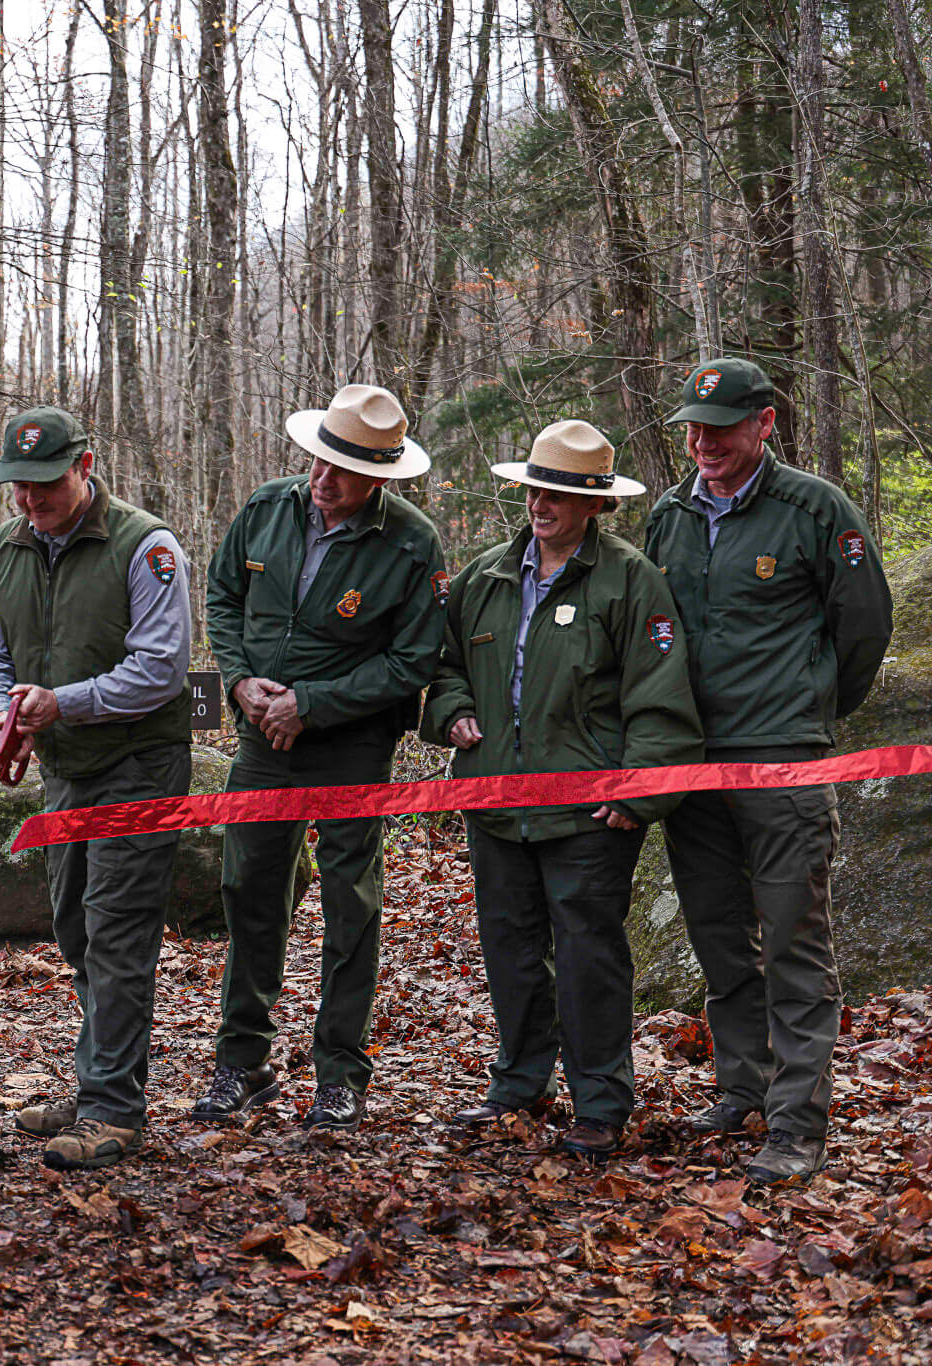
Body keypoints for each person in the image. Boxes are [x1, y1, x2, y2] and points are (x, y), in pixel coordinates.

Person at [422, 420, 704, 1159]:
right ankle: (519, 1084)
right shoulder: (484, 575)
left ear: (596, 505)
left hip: (589, 813)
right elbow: (444, 665)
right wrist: (451, 711)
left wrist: (638, 795)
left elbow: (660, 696)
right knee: (510, 951)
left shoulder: (630, 580)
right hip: (494, 802)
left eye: (561, 493)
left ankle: (601, 1102)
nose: (542, 503)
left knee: (589, 957)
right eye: (536, 488)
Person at [645, 359, 894, 1184]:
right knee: (720, 939)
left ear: (765, 424)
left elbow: (861, 626)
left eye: (719, 429)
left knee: (794, 940)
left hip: (783, 762)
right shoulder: (670, 515)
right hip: (692, 765)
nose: (701, 442)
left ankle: (796, 1121)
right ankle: (741, 1087)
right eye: (691, 428)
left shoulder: (815, 510)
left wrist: (810, 711)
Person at [194, 384, 445, 1133]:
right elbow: (220, 598)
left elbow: (414, 661)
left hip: (351, 747)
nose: (321, 478)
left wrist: (314, 704)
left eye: (342, 468)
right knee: (248, 891)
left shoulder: (411, 543)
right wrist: (238, 683)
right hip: (258, 741)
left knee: (350, 906)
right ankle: (242, 1062)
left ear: (381, 476)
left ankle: (340, 1074)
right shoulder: (268, 508)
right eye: (317, 459)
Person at [0, 406, 193, 1171]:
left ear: (84, 466)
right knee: (75, 928)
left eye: (45, 485)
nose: (30, 501)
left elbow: (161, 670)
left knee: (119, 932)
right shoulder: (4, 549)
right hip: (65, 771)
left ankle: (112, 1110)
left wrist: (65, 701)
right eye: (17, 488)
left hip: (140, 765)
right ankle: (99, 1081)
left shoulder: (146, 545)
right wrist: (6, 713)